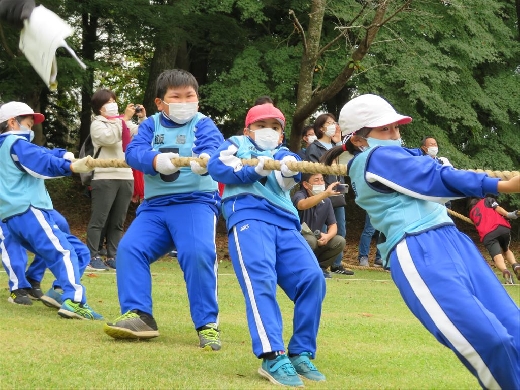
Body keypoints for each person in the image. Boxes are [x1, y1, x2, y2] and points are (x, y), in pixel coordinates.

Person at [320, 93, 520, 390]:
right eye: (384, 129)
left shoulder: (399, 156)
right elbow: (433, 176)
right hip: (419, 249)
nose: (394, 134)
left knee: (514, 330)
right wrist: (499, 184)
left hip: (454, 240)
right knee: (490, 339)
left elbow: (431, 168)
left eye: (396, 128)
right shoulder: (373, 158)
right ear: (360, 139)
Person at [103, 69, 224, 351]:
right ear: (160, 102)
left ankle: (207, 325)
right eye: (176, 97)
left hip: (195, 203)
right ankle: (139, 315)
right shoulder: (150, 124)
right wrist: (156, 160)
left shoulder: (203, 123)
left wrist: (205, 158)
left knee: (197, 254)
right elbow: (133, 153)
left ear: (197, 99)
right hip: (155, 208)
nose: (184, 101)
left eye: (189, 96)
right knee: (130, 249)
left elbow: (216, 148)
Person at [207, 103, 326, 387]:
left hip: (286, 222)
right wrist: (254, 171)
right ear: (248, 129)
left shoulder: (285, 153)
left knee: (312, 279)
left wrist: (286, 170)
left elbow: (292, 174)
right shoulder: (236, 144)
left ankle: (300, 351)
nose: (268, 132)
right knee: (261, 279)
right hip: (248, 215)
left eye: (275, 127)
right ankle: (273, 355)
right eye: (261, 126)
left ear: (282, 135)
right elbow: (216, 167)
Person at [0, 101, 103, 320]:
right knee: (63, 252)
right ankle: (74, 301)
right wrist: (70, 166)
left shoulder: (8, 146)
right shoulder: (15, 143)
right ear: (12, 122)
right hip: (29, 210)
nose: (31, 129)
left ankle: (57, 292)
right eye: (28, 123)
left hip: (14, 216)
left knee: (79, 252)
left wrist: (62, 154)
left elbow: (41, 153)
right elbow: (39, 160)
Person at [85, 89, 146, 271]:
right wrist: (124, 120)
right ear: (99, 108)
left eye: (113, 100)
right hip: (104, 176)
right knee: (99, 219)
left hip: (126, 176)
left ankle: (113, 255)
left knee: (118, 221)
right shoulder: (98, 124)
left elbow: (143, 134)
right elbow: (110, 139)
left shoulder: (122, 122)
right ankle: (92, 255)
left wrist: (142, 118)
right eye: (107, 102)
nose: (112, 104)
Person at [1, 209, 90, 308]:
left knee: (60, 224)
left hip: (37, 204)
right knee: (10, 237)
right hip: (7, 206)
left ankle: (38, 280)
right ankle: (18, 287)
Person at [305, 113, 349, 275]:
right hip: (322, 193)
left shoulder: (337, 146)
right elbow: (315, 172)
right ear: (321, 128)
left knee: (340, 229)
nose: (333, 126)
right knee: (320, 233)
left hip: (338, 192)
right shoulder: (314, 148)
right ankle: (317, 265)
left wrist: (338, 145)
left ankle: (336, 264)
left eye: (334, 122)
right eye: (329, 123)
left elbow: (344, 164)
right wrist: (323, 191)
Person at [292, 173, 350, 279]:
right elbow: (302, 205)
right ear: (306, 184)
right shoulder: (299, 195)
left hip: (316, 240)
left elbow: (333, 226)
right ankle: (304, 268)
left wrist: (327, 237)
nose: (321, 183)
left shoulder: (326, 201)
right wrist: (325, 194)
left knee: (339, 241)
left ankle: (320, 268)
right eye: (316, 180)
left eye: (322, 180)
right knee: (310, 240)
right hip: (297, 240)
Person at [468, 196, 520, 284]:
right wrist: (509, 214)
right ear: (480, 199)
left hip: (488, 234)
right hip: (502, 228)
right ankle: (515, 265)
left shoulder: (472, 213)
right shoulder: (487, 200)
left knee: (497, 256)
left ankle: (505, 271)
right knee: (506, 249)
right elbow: (497, 208)